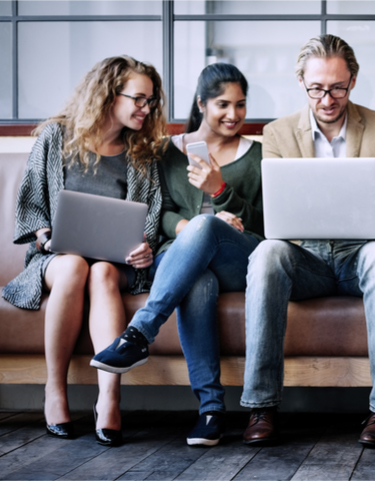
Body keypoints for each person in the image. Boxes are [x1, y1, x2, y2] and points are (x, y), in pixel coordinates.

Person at [239, 34, 375, 447]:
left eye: (337, 87)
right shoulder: (277, 134)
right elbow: (276, 212)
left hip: (362, 254)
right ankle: (261, 406)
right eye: (317, 88)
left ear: (352, 80)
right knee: (266, 253)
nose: (328, 98)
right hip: (306, 257)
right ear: (302, 82)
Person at [91, 63, 264, 447]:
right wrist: (186, 227)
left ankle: (139, 333)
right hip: (181, 261)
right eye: (223, 104)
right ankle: (211, 411)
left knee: (208, 228)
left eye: (241, 105)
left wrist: (222, 195)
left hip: (238, 257)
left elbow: (267, 224)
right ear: (201, 103)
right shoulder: (165, 152)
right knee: (198, 279)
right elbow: (157, 208)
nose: (233, 115)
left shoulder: (257, 157)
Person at [2, 56, 166, 447]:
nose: (147, 108)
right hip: (56, 259)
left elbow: (151, 218)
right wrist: (45, 236)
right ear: (109, 94)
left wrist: (144, 249)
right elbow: (30, 209)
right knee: (75, 265)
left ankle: (110, 398)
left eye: (151, 101)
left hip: (116, 265)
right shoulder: (55, 137)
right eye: (139, 99)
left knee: (102, 272)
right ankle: (54, 390)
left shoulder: (142, 151)